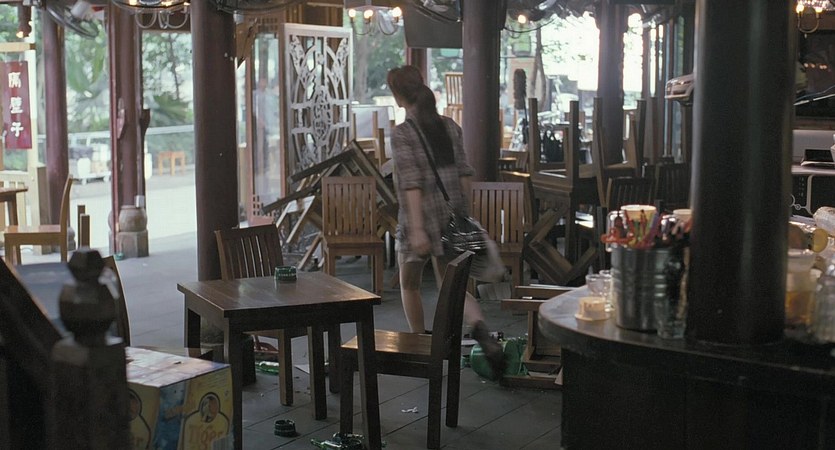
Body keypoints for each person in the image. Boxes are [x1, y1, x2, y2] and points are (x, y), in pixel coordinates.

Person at [387, 65, 506, 378]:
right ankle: (480, 328)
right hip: (451, 219)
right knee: (451, 286)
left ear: (398, 97)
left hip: (418, 220)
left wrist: (416, 229)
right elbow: (465, 174)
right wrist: (464, 215)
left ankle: (420, 345)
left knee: (409, 285)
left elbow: (411, 184)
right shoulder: (450, 126)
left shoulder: (402, 134)